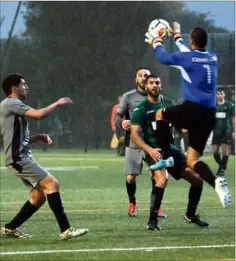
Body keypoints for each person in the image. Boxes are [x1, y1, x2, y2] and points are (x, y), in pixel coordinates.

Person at [144, 23, 231, 208]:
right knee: (192, 160)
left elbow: (163, 57)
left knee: (160, 114)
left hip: (193, 108)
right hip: (209, 113)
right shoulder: (212, 57)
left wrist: (156, 39)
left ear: (191, 40)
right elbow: (188, 50)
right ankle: (216, 182)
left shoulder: (186, 58)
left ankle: (165, 157)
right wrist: (176, 35)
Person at [0, 73, 89, 239]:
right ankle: (65, 230)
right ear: (14, 88)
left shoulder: (8, 107)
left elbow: (13, 138)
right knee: (52, 184)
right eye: (23, 84)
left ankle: (9, 228)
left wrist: (37, 137)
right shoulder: (11, 103)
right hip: (19, 159)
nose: (27, 87)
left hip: (18, 158)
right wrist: (57, 103)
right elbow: (39, 114)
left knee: (38, 197)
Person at [130, 74, 208, 230]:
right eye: (151, 83)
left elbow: (180, 128)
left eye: (157, 83)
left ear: (161, 86)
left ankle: (190, 215)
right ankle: (152, 221)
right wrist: (149, 150)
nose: (154, 85)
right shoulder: (141, 109)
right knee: (162, 179)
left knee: (197, 179)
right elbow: (134, 135)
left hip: (171, 150)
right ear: (146, 87)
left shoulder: (169, 104)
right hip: (155, 150)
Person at [115, 67, 167, 218]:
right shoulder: (128, 97)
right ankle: (132, 203)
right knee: (131, 177)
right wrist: (122, 122)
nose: (144, 77)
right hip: (134, 142)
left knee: (157, 175)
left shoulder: (159, 98)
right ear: (136, 79)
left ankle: (155, 207)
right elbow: (118, 116)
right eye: (141, 75)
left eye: (146, 75)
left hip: (152, 142)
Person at [212, 88, 235, 176]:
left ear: (224, 95)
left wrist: (234, 131)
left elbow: (233, 118)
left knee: (225, 149)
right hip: (216, 130)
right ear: (216, 95)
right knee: (215, 150)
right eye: (218, 94)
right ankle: (222, 165)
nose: (219, 95)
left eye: (221, 94)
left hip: (226, 129)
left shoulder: (230, 105)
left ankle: (221, 169)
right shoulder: (213, 105)